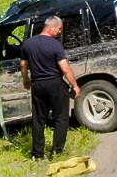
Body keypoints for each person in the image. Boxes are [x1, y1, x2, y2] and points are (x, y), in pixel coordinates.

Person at [22, 15, 80, 161]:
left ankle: (38, 154)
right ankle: (57, 152)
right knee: (60, 118)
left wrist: (26, 80)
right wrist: (75, 86)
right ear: (51, 27)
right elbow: (65, 69)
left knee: (38, 119)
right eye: (59, 29)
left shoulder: (28, 44)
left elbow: (23, 65)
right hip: (55, 83)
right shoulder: (55, 45)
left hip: (37, 85)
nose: (60, 32)